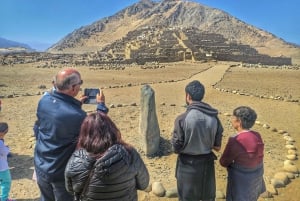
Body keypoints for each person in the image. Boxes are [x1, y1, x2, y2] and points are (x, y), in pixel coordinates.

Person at [34, 68, 109, 201]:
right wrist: (101, 107)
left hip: (41, 165)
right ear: (73, 88)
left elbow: (52, 122)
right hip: (60, 172)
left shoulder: (44, 101)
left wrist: (75, 105)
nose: (81, 87)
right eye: (80, 83)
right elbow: (96, 132)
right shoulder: (77, 116)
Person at [65, 112, 150, 201]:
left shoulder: (76, 158)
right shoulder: (129, 153)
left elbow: (71, 189)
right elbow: (144, 184)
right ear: (112, 129)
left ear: (84, 133)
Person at [171, 80, 223, 201]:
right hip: (207, 166)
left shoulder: (182, 119)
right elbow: (217, 147)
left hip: (187, 167)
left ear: (188, 96)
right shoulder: (214, 118)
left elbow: (176, 147)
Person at [220, 106, 265, 201]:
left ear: (239, 121)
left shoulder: (236, 140)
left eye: (233, 117)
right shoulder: (257, 135)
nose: (231, 119)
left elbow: (223, 162)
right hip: (255, 179)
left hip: (241, 181)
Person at [0, 122, 15, 201]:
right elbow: (4, 152)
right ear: (2, 133)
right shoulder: (0, 143)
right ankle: (4, 199)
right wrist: (7, 148)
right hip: (2, 168)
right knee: (6, 183)